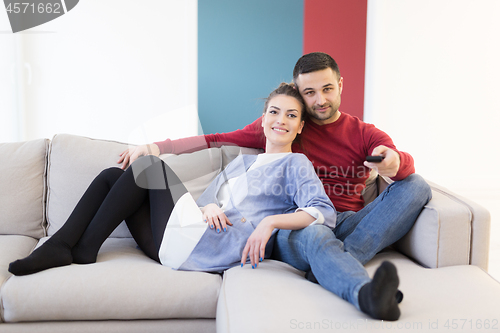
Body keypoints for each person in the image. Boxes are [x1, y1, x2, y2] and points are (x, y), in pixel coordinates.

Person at [118, 52, 433, 320]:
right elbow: (214, 139)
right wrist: (156, 148)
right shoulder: (286, 124)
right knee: (316, 233)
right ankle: (363, 293)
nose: (320, 99)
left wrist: (391, 163)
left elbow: (394, 158)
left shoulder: (364, 132)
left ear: (339, 85)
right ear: (298, 93)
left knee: (416, 185)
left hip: (349, 221)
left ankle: (331, 263)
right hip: (294, 225)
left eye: (327, 89)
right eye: (309, 93)